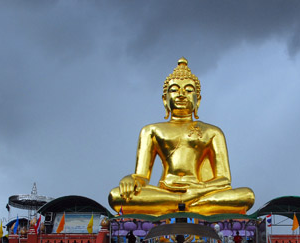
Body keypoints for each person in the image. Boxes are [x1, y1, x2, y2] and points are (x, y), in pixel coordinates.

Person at [108, 58, 255, 216]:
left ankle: (178, 204)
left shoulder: (212, 132)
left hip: (200, 190)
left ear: (197, 101)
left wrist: (199, 189)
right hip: (166, 191)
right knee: (116, 195)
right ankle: (186, 204)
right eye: (174, 90)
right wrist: (130, 179)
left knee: (247, 195)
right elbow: (142, 177)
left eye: (189, 90)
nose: (181, 95)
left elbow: (224, 180)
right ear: (165, 100)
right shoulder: (151, 130)